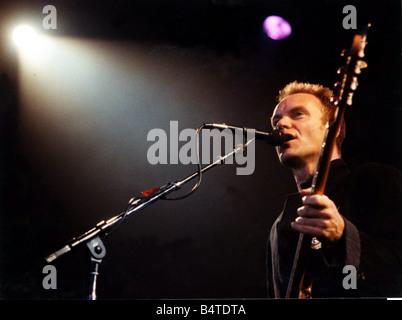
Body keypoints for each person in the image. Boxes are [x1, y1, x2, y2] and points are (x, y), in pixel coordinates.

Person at [266, 81, 402, 298]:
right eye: (276, 120)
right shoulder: (280, 225)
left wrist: (344, 236)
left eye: (298, 114)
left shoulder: (374, 180)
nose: (281, 123)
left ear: (335, 128)